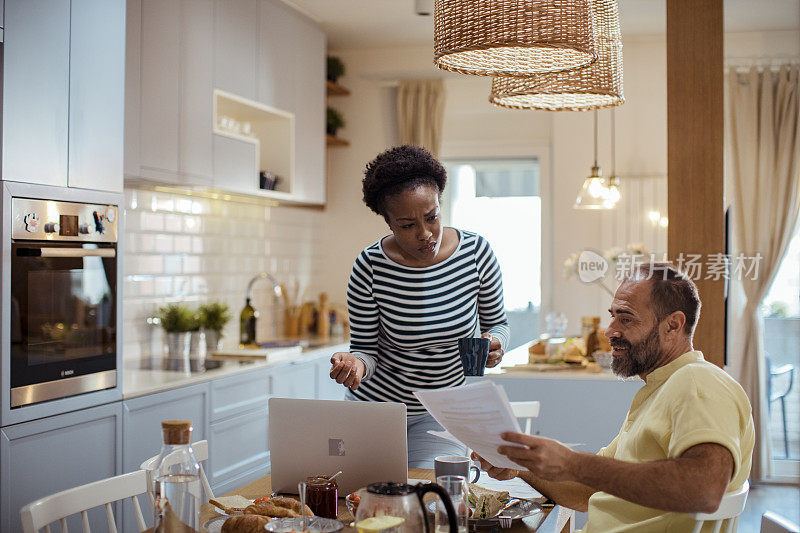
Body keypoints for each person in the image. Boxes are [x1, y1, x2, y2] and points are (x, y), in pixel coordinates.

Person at [473, 262, 754, 532]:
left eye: (626, 319)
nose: (610, 331)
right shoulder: (659, 389)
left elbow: (704, 490)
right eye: (613, 316)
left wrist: (573, 462)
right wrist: (521, 467)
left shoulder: (698, 381)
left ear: (673, 325)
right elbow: (587, 491)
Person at [329, 145, 511, 468]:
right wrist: (355, 365)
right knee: (365, 506)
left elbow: (498, 325)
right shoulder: (370, 267)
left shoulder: (476, 253)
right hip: (377, 412)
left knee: (436, 501)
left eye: (432, 217)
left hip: (442, 413)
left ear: (440, 204)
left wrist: (496, 343)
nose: (425, 234)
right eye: (407, 225)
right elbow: (366, 350)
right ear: (388, 223)